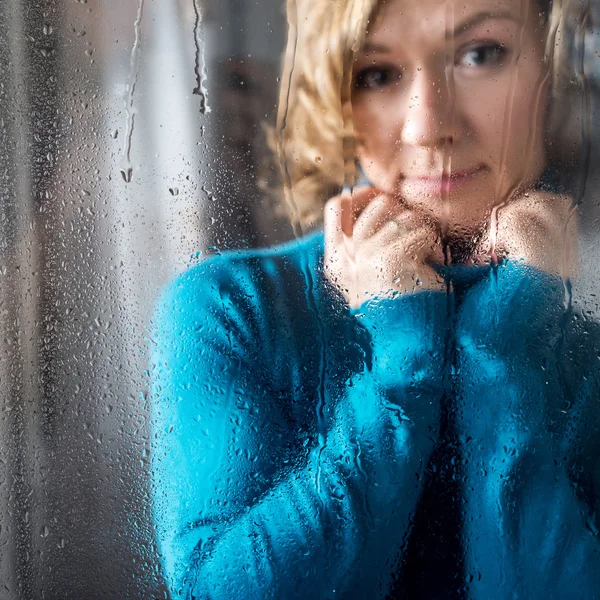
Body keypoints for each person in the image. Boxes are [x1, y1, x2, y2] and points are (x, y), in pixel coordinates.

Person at [150, 0, 600, 597]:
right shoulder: (232, 309)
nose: (429, 126)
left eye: (481, 54)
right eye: (378, 74)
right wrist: (400, 374)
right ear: (336, 95)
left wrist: (498, 355)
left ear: (554, 73)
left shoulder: (586, 342)